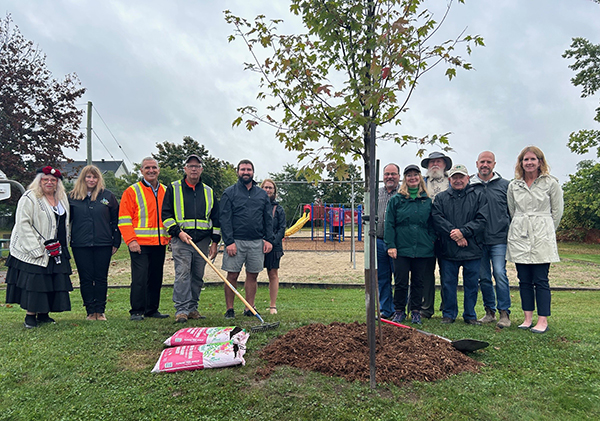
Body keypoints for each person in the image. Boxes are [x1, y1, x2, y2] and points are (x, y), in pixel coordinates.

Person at [4, 166, 73, 328]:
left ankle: (44, 314)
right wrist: (35, 248)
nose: (49, 183)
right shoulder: (30, 197)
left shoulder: (62, 198)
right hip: (33, 248)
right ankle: (30, 316)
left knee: (49, 282)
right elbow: (23, 224)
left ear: (58, 183)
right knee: (35, 284)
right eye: (45, 180)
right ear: (39, 181)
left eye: (53, 180)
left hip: (55, 249)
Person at [507, 146, 563, 334]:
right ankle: (527, 318)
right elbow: (512, 210)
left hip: (542, 234)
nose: (529, 163)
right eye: (525, 160)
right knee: (523, 279)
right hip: (520, 233)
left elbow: (557, 212)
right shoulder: (514, 185)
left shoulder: (550, 183)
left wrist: (545, 229)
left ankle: (542, 320)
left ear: (540, 161)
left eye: (533, 159)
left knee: (540, 279)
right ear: (521, 163)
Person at [162, 154, 221, 323]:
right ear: (185, 169)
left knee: (197, 275)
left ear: (201, 169)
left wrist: (214, 242)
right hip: (182, 240)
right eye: (190, 166)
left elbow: (216, 219)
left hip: (202, 241)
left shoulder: (209, 192)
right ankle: (181, 309)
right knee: (182, 274)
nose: (194, 169)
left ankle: (192, 308)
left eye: (197, 166)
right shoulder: (173, 188)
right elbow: (166, 215)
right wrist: (178, 232)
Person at [432, 164, 488, 325]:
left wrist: (464, 232)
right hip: (448, 249)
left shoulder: (478, 196)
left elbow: (482, 220)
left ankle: (470, 315)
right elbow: (437, 219)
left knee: (471, 285)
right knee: (448, 284)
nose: (458, 180)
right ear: (449, 179)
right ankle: (449, 314)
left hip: (473, 248)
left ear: (468, 178)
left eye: (461, 177)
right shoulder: (441, 198)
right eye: (454, 177)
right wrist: (456, 235)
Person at [220, 159, 274, 319]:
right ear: (238, 172)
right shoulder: (229, 193)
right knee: (232, 276)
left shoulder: (261, 194)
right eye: (243, 169)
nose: (246, 172)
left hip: (256, 241)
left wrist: (268, 239)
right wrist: (229, 241)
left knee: (253, 275)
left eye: (248, 170)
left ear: (253, 172)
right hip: (235, 242)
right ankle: (230, 309)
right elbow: (225, 219)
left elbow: (267, 219)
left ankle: (249, 307)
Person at [118, 157, 171, 321]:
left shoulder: (166, 190)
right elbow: (124, 219)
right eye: (147, 168)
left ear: (159, 170)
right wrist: (130, 240)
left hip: (160, 242)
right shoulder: (132, 191)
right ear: (141, 171)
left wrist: (169, 239)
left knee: (156, 277)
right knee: (140, 278)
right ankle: (137, 310)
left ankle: (152, 309)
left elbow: (169, 216)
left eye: (154, 167)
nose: (151, 170)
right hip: (139, 243)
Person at [384, 164, 436, 325]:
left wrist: (431, 240)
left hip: (422, 248)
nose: (412, 178)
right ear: (405, 179)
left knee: (418, 282)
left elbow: (432, 224)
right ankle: (399, 311)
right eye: (409, 175)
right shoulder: (396, 200)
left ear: (420, 178)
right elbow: (389, 224)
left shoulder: (427, 201)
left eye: (415, 175)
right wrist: (391, 245)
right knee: (400, 281)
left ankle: (415, 311)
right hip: (401, 248)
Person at [69, 165, 121, 321]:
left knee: (100, 278)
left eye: (94, 177)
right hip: (80, 244)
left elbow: (115, 221)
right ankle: (90, 311)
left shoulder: (108, 196)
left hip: (103, 243)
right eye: (88, 177)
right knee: (85, 278)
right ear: (83, 178)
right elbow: (66, 221)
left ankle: (100, 310)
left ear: (99, 179)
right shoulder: (72, 197)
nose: (91, 180)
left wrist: (115, 241)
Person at [470, 151, 512, 328]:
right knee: (484, 278)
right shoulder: (471, 186)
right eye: (482, 162)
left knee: (500, 274)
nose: (484, 165)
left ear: (494, 164)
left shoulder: (506, 185)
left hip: (499, 238)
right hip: (478, 240)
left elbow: (512, 211)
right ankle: (489, 312)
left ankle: (505, 313)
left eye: (488, 162)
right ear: (477, 163)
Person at [420, 151, 452, 319]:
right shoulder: (421, 183)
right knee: (426, 272)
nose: (435, 165)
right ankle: (426, 308)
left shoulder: (451, 182)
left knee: (447, 272)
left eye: (438, 162)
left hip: (447, 233)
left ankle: (447, 308)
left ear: (445, 165)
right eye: (432, 162)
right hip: (426, 233)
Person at [376, 163, 400, 319]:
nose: (389, 177)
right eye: (386, 174)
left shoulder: (403, 195)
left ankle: (399, 310)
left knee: (399, 277)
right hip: (378, 241)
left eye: (393, 174)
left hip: (398, 243)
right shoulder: (376, 194)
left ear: (399, 176)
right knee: (382, 277)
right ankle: (386, 310)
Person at [261, 179, 286, 315]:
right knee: (251, 274)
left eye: (270, 188)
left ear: (274, 191)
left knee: (273, 274)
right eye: (265, 187)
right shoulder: (256, 207)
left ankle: (272, 306)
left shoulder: (279, 209)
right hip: (258, 244)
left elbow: (282, 229)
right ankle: (250, 306)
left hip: (274, 246)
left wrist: (271, 242)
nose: (267, 190)